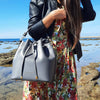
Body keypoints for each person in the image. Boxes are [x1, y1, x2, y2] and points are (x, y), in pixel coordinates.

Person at [23, 0, 96, 99]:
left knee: (65, 95)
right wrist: (52, 15)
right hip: (43, 58)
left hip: (65, 61)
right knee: (40, 94)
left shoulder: (71, 6)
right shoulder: (38, 1)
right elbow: (32, 31)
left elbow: (90, 15)